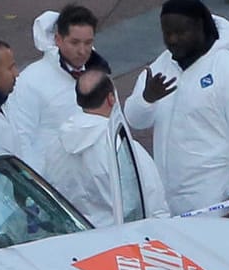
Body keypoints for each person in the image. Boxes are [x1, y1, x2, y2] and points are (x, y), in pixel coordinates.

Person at [122, 0, 229, 218]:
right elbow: (134, 120)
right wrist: (147, 99)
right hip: (167, 198)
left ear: (200, 27)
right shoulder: (161, 66)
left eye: (180, 33)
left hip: (212, 198)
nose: (173, 40)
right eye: (167, 33)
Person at [35, 66, 170, 227]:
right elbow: (152, 202)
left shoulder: (56, 145)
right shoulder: (123, 148)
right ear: (111, 98)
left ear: (78, 100)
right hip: (120, 241)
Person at [5, 4, 110, 171]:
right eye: (75, 43)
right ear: (58, 39)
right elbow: (22, 139)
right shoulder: (31, 81)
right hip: (56, 187)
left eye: (88, 42)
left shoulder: (99, 74)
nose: (82, 51)